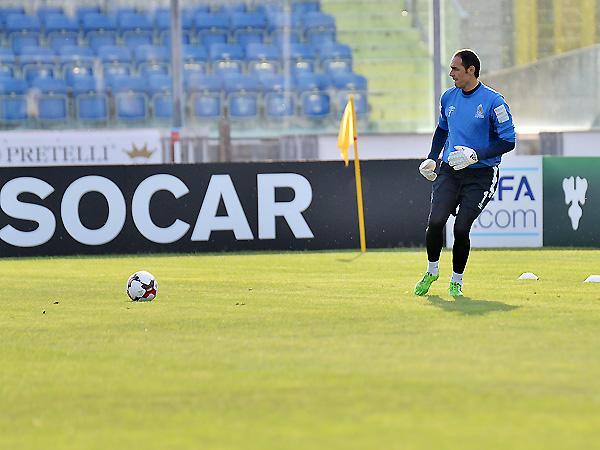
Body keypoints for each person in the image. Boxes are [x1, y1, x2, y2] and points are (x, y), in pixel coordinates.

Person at [415, 49, 516, 297]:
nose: (451, 74)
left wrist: (476, 155)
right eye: (451, 69)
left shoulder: (494, 102)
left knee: (461, 229)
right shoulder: (448, 97)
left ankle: (456, 281)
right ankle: (431, 271)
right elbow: (442, 130)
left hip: (481, 175)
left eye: (455, 69)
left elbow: (508, 141)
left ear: (471, 70)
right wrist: (432, 157)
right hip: (450, 171)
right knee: (435, 222)